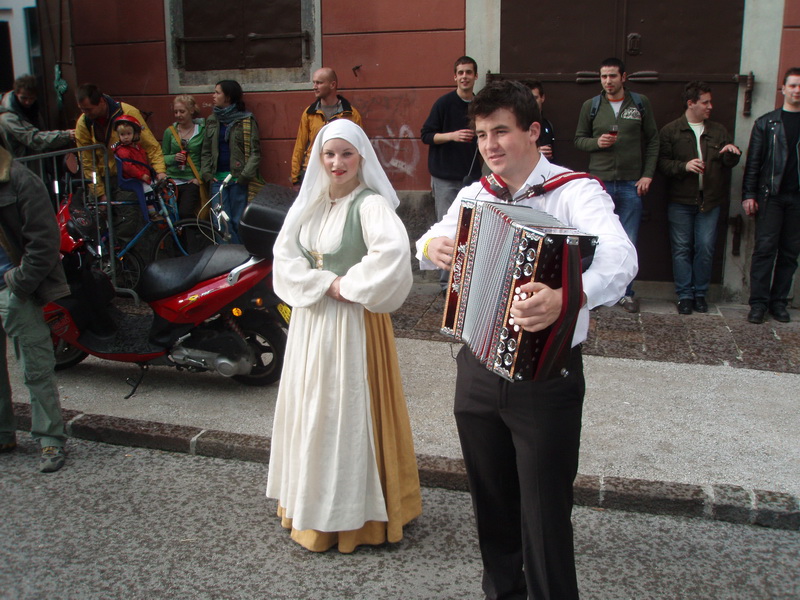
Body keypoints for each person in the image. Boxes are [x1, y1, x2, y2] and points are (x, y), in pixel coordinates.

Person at [417, 80, 637, 599]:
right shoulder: (476, 193)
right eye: (481, 135)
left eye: (501, 131)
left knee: (544, 514)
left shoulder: (574, 191)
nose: (490, 145)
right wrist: (434, 246)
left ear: (533, 131)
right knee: (492, 505)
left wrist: (569, 298)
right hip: (476, 367)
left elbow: (621, 257)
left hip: (545, 374)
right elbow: (427, 238)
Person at [267, 119, 422, 553]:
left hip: (353, 325)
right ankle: (312, 503)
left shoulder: (370, 205)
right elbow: (284, 256)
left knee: (347, 412)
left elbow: (392, 255)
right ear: (319, 158)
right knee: (312, 408)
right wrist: (321, 284)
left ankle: (355, 517)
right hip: (311, 324)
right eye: (330, 154)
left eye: (346, 154)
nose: (337, 163)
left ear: (361, 158)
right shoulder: (310, 204)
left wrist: (345, 286)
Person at [0, 143, 71, 472]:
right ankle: (4, 434)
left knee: (36, 366)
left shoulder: (20, 180)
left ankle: (50, 439)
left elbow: (44, 242)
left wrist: (19, 284)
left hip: (14, 287)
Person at [574, 57, 658, 313]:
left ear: (623, 77)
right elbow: (579, 139)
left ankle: (625, 293)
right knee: (596, 239)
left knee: (627, 240)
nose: (608, 81)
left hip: (631, 183)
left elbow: (653, 141)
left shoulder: (640, 103)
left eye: (612, 76)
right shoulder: (591, 106)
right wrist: (596, 143)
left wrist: (647, 175)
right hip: (599, 184)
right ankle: (595, 292)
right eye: (603, 76)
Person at [658, 81, 741, 315]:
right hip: (680, 201)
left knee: (705, 248)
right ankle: (685, 295)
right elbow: (661, 164)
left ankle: (700, 294)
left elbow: (727, 162)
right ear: (691, 103)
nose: (710, 107)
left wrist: (732, 154)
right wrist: (684, 166)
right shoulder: (671, 131)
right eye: (705, 102)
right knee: (681, 249)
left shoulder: (718, 130)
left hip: (710, 201)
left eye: (710, 102)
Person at [74, 83, 166, 245]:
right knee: (98, 226)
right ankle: (108, 256)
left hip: (126, 177)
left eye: (88, 109)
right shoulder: (84, 122)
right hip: (101, 177)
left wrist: (160, 171)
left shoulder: (127, 112)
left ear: (101, 102)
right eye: (82, 109)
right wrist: (98, 192)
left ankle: (129, 257)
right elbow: (87, 161)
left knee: (128, 223)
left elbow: (150, 145)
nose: (85, 113)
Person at [742, 67, 800, 324]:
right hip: (771, 196)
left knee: (789, 253)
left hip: (797, 198)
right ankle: (758, 304)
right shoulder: (766, 123)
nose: (797, 90)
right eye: (793, 85)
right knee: (764, 250)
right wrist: (749, 194)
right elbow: (754, 162)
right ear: (783, 89)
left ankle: (779, 302)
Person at [420, 55, 482, 288]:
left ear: (475, 76)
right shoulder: (443, 103)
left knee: (471, 230)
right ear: (455, 77)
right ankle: (447, 284)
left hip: (472, 179)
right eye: (460, 72)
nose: (465, 77)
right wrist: (452, 136)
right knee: (447, 231)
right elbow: (426, 135)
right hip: (445, 177)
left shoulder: (480, 105)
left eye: (469, 72)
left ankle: (466, 279)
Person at [200, 80, 261, 244]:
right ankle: (226, 256)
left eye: (217, 92)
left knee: (237, 220)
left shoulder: (246, 120)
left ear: (228, 97)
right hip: (216, 179)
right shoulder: (212, 120)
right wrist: (207, 173)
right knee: (220, 222)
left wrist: (244, 176)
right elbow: (206, 150)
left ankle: (240, 255)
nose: (213, 96)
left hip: (237, 179)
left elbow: (255, 152)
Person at [290, 68, 362, 190]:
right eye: (314, 82)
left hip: (339, 171)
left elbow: (360, 148)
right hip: (312, 171)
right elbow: (300, 146)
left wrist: (359, 175)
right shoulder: (309, 113)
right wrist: (295, 177)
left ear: (332, 85)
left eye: (319, 83)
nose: (314, 87)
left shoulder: (351, 114)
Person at [0, 75, 75, 158]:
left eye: (32, 98)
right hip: (20, 161)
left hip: (34, 158)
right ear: (16, 93)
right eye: (23, 98)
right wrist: (65, 135)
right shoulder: (8, 117)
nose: (28, 102)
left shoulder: (33, 109)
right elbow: (32, 138)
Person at [162, 94, 206, 219]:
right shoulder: (170, 132)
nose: (178, 115)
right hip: (172, 180)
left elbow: (207, 156)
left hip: (191, 180)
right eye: (176, 112)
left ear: (191, 111)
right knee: (172, 216)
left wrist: (199, 178)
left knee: (185, 213)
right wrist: (173, 158)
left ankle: (192, 232)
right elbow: (162, 156)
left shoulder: (201, 131)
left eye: (182, 111)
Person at [523, 79, 555, 159]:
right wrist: (536, 152)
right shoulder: (519, 124)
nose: (532, 102)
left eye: (535, 98)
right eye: (529, 99)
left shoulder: (547, 124)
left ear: (542, 98)